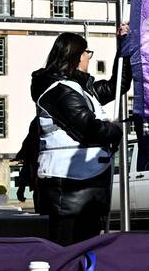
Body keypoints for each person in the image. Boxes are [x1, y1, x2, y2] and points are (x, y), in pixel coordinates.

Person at [30, 28, 131, 245]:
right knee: (70, 245)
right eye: (87, 52)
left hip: (85, 178)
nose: (89, 57)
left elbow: (117, 86)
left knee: (86, 244)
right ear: (75, 56)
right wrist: (117, 129)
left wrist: (124, 47)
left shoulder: (82, 88)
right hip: (69, 184)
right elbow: (89, 128)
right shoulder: (59, 91)